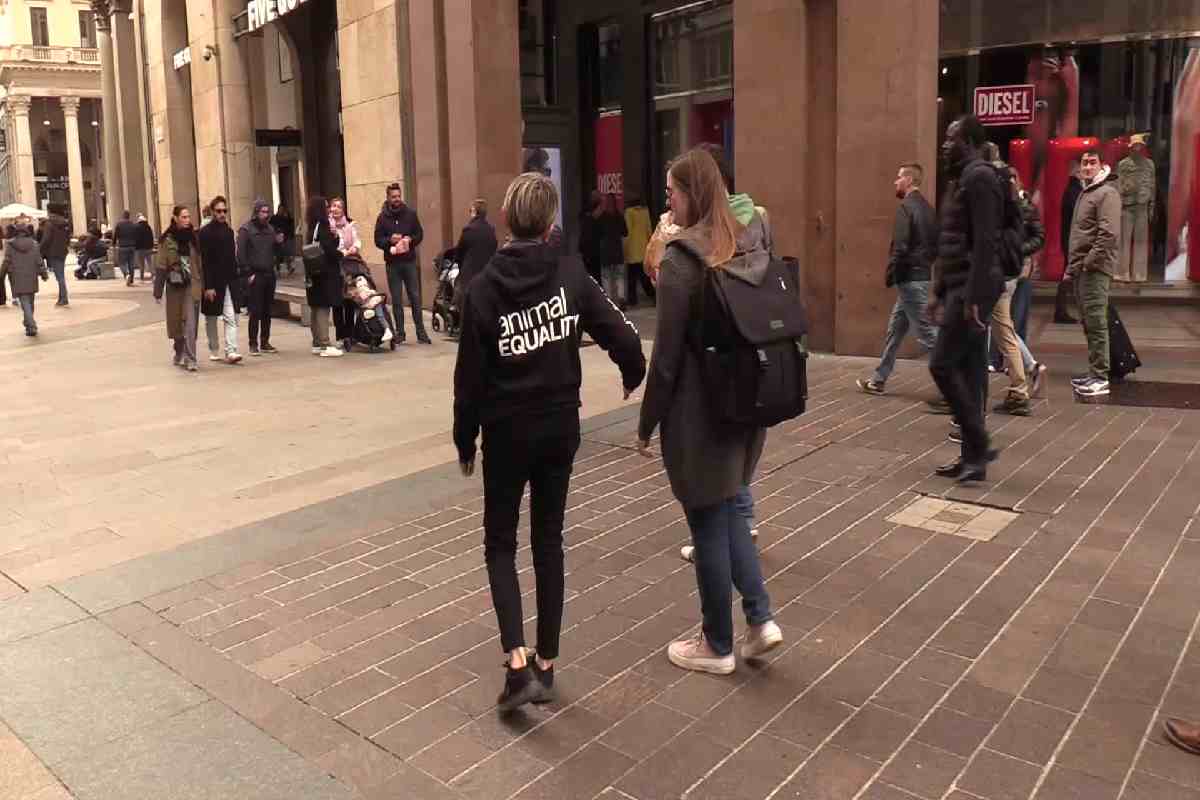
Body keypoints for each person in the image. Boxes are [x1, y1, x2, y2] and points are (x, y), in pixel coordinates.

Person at [453, 172, 646, 712]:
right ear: (550, 221)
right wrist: (633, 369)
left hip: (508, 431)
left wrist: (465, 439)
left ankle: (516, 662)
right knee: (548, 541)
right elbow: (620, 330)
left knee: (500, 542)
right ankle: (547, 661)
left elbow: (469, 378)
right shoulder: (569, 273)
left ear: (509, 221)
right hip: (560, 426)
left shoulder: (484, 287)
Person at [638, 147, 782, 676]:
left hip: (701, 412)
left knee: (706, 520)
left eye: (673, 190)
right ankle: (760, 618)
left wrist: (647, 421)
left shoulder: (682, 261)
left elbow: (668, 360)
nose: (667, 199)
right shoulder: (752, 237)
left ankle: (717, 644)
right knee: (728, 513)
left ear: (693, 194)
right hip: (751, 401)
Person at [928, 115, 1005, 484]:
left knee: (941, 365)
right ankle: (973, 459)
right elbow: (952, 244)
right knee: (971, 372)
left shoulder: (981, 178)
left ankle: (979, 440)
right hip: (960, 286)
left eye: (951, 138)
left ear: (971, 141)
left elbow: (985, 240)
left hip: (973, 289)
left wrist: (973, 297)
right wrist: (938, 292)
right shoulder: (961, 179)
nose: (945, 145)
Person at [857, 163, 939, 395]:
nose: (895, 182)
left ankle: (955, 387)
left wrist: (891, 273)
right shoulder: (928, 209)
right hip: (921, 276)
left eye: (899, 177)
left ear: (909, 181)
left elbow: (900, 246)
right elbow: (935, 245)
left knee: (927, 334)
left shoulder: (906, 207)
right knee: (895, 330)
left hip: (909, 279)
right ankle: (878, 379)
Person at [990, 167, 1046, 417]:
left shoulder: (1011, 209)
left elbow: (1035, 237)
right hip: (1007, 274)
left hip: (1005, 275)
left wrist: (1019, 253)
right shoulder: (1010, 207)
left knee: (1006, 329)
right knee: (1005, 329)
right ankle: (1023, 381)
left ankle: (1021, 386)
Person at [1067, 149, 1121, 398]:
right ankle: (1094, 372)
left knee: (1097, 323)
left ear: (1102, 166)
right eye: (1084, 163)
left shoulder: (1106, 193)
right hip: (1082, 270)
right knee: (1089, 322)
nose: (1087, 167)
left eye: (1092, 162)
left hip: (1095, 269)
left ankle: (1100, 376)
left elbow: (1108, 234)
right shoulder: (1086, 192)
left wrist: (1089, 262)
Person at [374, 183, 429, 344]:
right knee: (397, 300)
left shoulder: (410, 214)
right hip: (392, 264)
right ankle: (400, 333)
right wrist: (389, 240)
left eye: (398, 196)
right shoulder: (382, 217)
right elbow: (377, 240)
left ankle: (421, 332)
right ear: (388, 198)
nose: (397, 199)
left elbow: (419, 234)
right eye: (394, 197)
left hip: (409, 262)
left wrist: (410, 239)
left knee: (415, 297)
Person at [153, 206, 203, 371]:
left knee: (190, 322)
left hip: (191, 284)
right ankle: (179, 350)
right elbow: (161, 265)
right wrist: (158, 291)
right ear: (175, 218)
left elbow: (200, 263)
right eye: (183, 217)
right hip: (175, 285)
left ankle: (191, 358)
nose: (187, 220)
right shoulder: (166, 240)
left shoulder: (193, 238)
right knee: (176, 323)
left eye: (188, 216)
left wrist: (205, 284)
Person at [197, 196, 244, 365]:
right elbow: (205, 261)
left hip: (229, 281)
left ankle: (231, 350)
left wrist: (237, 281)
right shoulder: (204, 233)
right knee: (211, 317)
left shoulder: (229, 231)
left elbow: (233, 258)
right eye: (219, 211)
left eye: (225, 210)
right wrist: (208, 286)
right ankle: (214, 348)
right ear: (212, 212)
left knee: (231, 316)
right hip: (212, 282)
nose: (222, 214)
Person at [238, 200, 279, 356]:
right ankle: (253, 343)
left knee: (267, 310)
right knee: (255, 310)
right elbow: (241, 254)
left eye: (267, 212)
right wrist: (248, 273)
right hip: (255, 274)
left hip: (269, 273)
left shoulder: (270, 229)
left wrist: (279, 242)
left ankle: (265, 341)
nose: (265, 215)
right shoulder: (246, 229)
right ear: (256, 212)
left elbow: (275, 250)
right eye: (262, 211)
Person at [306, 195, 345, 357]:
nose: (329, 209)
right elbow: (328, 249)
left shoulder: (311, 226)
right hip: (325, 272)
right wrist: (340, 252)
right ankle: (324, 343)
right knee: (323, 306)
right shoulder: (323, 225)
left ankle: (316, 342)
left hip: (313, 272)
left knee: (315, 306)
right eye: (326, 206)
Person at [1116, 133, 1155, 283]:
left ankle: (1139, 274)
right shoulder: (1123, 164)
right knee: (1124, 241)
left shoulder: (1149, 164)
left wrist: (1152, 205)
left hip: (1142, 206)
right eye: (1135, 146)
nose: (1137, 148)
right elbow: (1119, 185)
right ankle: (1122, 272)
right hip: (1127, 205)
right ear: (1131, 147)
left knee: (1141, 241)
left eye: (1140, 146)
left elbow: (1152, 186)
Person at [450, 199, 498, 313]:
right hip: (487, 273)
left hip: (470, 274)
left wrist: (458, 262)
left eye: (470, 211)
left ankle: (455, 305)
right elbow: (494, 247)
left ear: (474, 212)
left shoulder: (468, 229)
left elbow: (460, 251)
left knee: (458, 281)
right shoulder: (491, 230)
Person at [3, 224, 48, 336]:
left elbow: (7, 260)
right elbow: (39, 260)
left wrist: (2, 273)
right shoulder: (34, 244)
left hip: (17, 276)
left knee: (25, 302)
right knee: (30, 302)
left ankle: (30, 325)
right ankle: (29, 323)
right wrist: (43, 273)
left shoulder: (10, 244)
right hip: (31, 275)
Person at [1055, 163, 1084, 324]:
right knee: (1069, 275)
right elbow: (1079, 214)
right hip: (1072, 240)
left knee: (1070, 275)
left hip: (1070, 239)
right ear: (1076, 173)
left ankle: (1062, 310)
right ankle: (1061, 310)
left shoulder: (1073, 190)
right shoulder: (1074, 191)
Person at [597, 193, 628, 309]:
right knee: (619, 277)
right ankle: (621, 298)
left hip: (605, 252)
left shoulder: (602, 217)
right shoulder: (619, 216)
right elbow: (625, 232)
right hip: (617, 251)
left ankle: (609, 302)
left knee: (606, 278)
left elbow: (598, 234)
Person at [623, 195, 654, 307]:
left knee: (632, 278)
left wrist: (624, 248)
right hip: (643, 249)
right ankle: (653, 295)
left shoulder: (629, 212)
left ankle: (632, 300)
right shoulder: (645, 212)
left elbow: (627, 231)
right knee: (644, 277)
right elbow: (649, 229)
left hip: (632, 249)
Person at [38, 204, 71, 306]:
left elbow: (46, 239)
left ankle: (63, 298)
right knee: (60, 275)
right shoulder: (65, 223)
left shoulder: (49, 223)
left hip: (53, 251)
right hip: (63, 251)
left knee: (59, 276)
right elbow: (68, 238)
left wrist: (39, 249)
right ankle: (62, 297)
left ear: (50, 211)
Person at [113, 210, 139, 287]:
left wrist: (114, 244)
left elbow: (115, 235)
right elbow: (136, 235)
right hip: (132, 246)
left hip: (123, 246)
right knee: (131, 263)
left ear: (123, 216)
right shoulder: (133, 224)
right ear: (129, 216)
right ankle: (131, 280)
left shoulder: (119, 224)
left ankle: (126, 274)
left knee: (121, 263)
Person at [269, 203, 296, 276]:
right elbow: (270, 227)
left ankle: (289, 267)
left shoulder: (285, 218)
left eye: (282, 209)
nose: (281, 211)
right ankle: (278, 269)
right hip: (277, 238)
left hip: (285, 238)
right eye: (280, 209)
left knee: (286, 253)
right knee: (278, 255)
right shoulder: (274, 218)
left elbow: (289, 225)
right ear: (278, 209)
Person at [134, 213, 155, 281]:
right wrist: (152, 246)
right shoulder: (148, 227)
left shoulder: (136, 227)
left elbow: (135, 238)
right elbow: (151, 237)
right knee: (149, 262)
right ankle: (152, 274)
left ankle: (142, 276)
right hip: (148, 248)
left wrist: (135, 246)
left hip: (140, 248)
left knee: (141, 263)